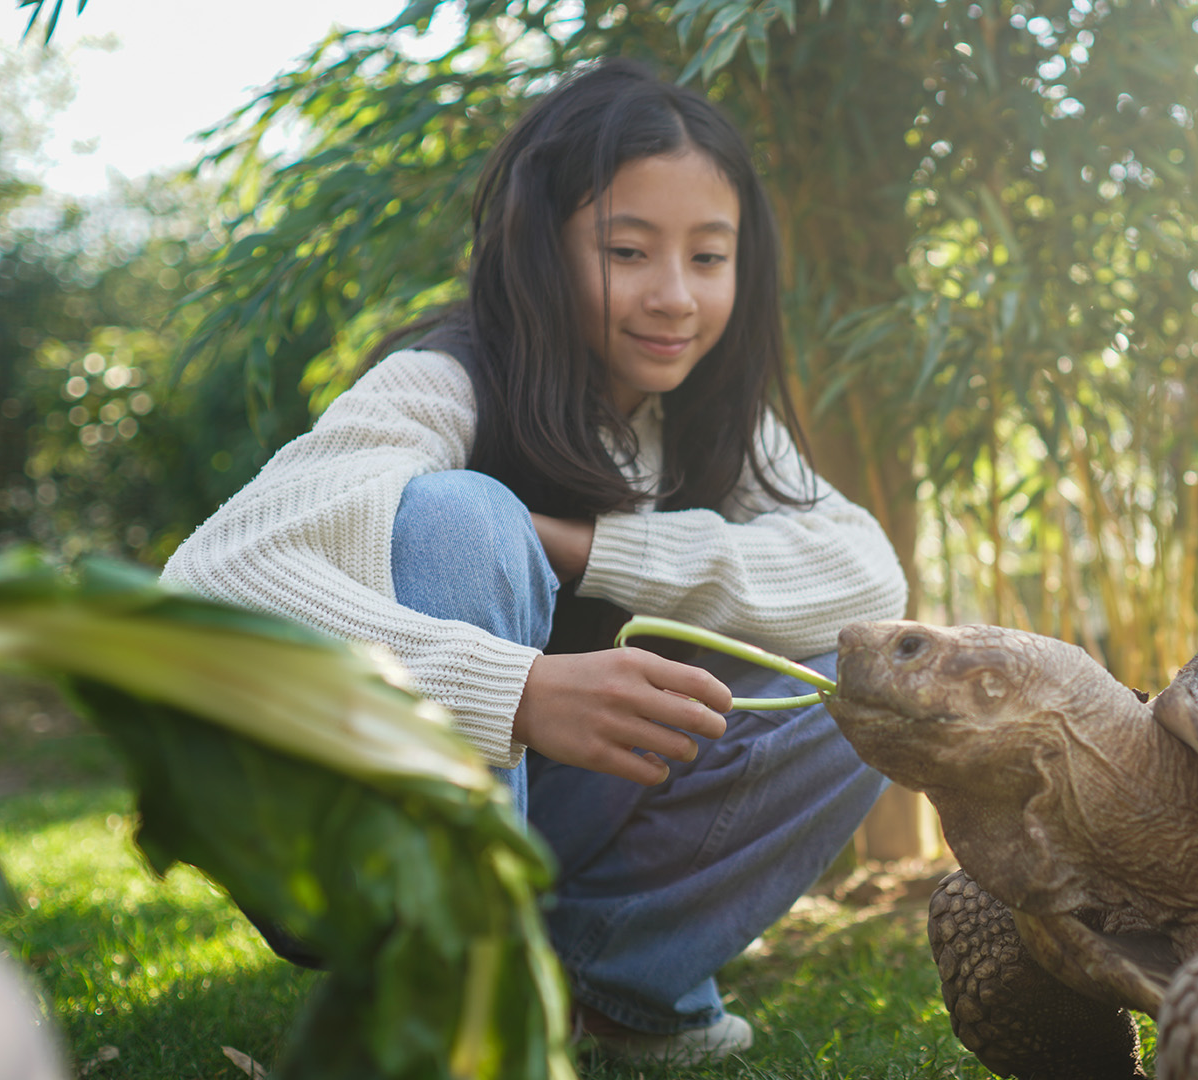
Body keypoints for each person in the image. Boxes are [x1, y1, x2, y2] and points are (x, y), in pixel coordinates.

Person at [161, 57, 908, 1064]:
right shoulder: (443, 382)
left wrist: (591, 548)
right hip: (356, 836)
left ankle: (614, 985)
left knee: (859, 690)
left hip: (552, 820)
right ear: (544, 246)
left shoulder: (708, 421)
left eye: (708, 256)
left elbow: (867, 576)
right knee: (464, 519)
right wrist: (512, 690)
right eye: (628, 251)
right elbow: (208, 584)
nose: (674, 296)